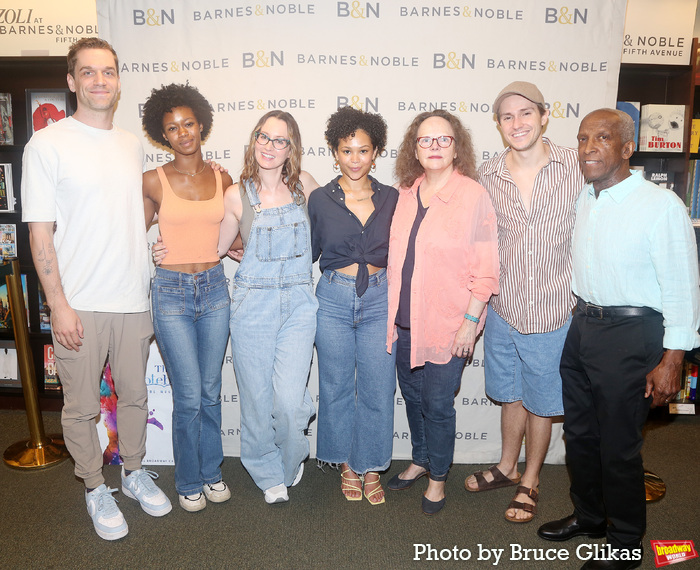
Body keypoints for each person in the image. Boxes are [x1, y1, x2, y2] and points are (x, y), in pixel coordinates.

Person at [21, 37, 171, 541]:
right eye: (88, 72)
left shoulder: (131, 143)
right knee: (82, 407)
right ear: (72, 81)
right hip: (78, 304)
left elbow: (126, 216)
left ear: (118, 80)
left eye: (108, 72)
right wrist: (57, 305)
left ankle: (132, 474)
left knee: (133, 397)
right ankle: (93, 487)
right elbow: (40, 232)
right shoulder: (46, 144)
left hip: (132, 299)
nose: (99, 81)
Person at [537, 108, 700, 570]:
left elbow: (683, 288)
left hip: (632, 334)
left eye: (602, 138)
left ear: (627, 148)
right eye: (583, 137)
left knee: (618, 445)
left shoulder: (660, 205)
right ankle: (590, 518)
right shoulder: (585, 199)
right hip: (584, 327)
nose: (588, 147)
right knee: (581, 435)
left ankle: (626, 542)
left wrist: (673, 359)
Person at [465, 81, 583, 523]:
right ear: (497, 125)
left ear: (544, 115)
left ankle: (530, 479)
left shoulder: (575, 167)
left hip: (553, 311)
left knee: (541, 400)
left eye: (526, 113)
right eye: (507, 116)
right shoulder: (487, 173)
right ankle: (507, 466)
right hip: (503, 309)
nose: (518, 123)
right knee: (511, 394)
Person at [385, 110, 499, 515]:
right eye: (425, 140)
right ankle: (420, 458)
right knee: (412, 398)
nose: (434, 147)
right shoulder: (404, 193)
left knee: (436, 404)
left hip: (450, 325)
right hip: (405, 323)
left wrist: (470, 323)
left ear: (457, 147)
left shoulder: (473, 195)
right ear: (414, 148)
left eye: (443, 140)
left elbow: (486, 270)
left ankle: (437, 478)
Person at [141, 83, 234, 512]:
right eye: (172, 128)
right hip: (172, 294)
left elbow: (234, 237)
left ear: (202, 125)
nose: (183, 133)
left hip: (215, 289)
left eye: (188, 124)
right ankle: (190, 479)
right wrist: (149, 249)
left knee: (212, 391)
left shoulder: (222, 176)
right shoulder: (152, 181)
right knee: (190, 394)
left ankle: (213, 472)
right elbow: (129, 236)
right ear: (162, 136)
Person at [221, 111, 319, 504]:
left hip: (298, 303)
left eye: (280, 140)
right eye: (264, 136)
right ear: (253, 139)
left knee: (291, 400)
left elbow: (334, 229)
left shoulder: (306, 186)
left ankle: (291, 457)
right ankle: (264, 467)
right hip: (252, 305)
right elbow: (215, 248)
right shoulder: (235, 193)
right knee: (257, 399)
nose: (269, 146)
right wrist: (167, 250)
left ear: (291, 148)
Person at [308, 106, 398, 505]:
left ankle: (372, 465)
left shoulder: (394, 198)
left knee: (378, 387)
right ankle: (346, 464)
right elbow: (304, 253)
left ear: (376, 152)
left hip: (381, 297)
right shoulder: (319, 199)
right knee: (336, 385)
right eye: (347, 150)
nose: (355, 159)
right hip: (333, 298)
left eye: (363, 150)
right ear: (334, 151)